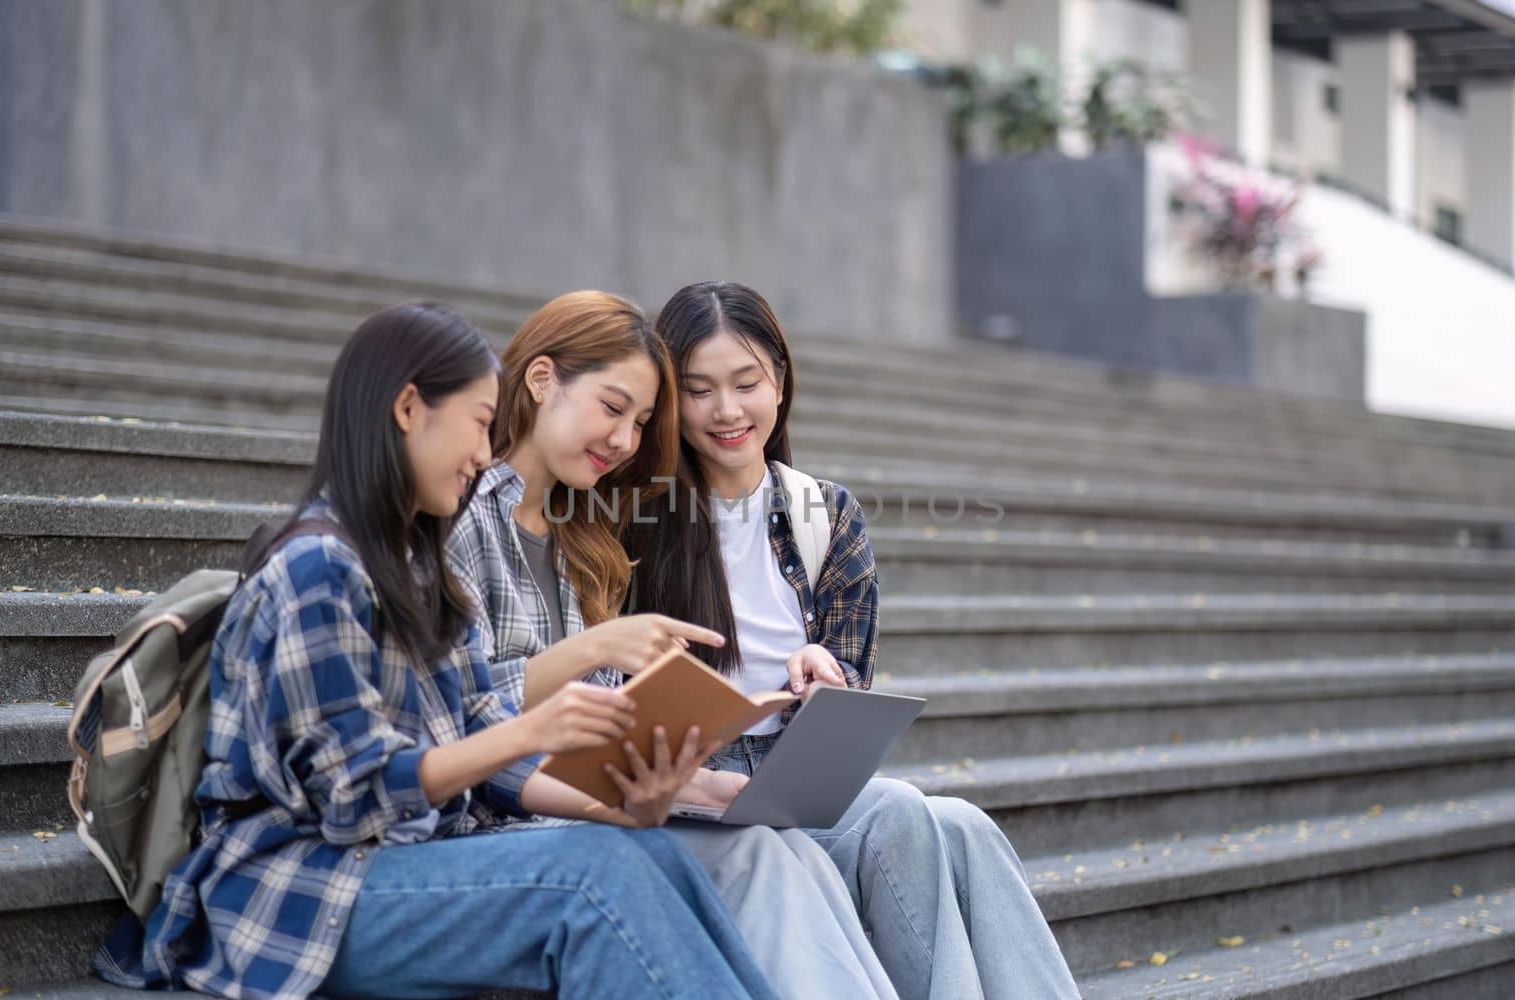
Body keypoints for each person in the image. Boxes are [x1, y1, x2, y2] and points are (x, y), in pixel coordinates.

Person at [97, 302, 776, 1000]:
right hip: (301, 894)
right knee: (593, 878)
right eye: (481, 425)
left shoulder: (420, 566)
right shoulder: (316, 567)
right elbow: (355, 799)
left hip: (407, 868)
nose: (486, 455)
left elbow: (483, 738)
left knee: (650, 851)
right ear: (409, 409)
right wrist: (536, 728)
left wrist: (621, 807)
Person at [623, 281, 1083, 1000]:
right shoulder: (633, 516)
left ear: (780, 378)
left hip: (792, 774)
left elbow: (849, 688)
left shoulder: (824, 512)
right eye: (699, 390)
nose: (727, 411)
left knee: (958, 824)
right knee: (906, 814)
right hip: (694, 783)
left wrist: (825, 674)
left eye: (747, 383)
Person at [448, 290, 898, 999]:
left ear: (779, 380)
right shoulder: (478, 524)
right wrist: (601, 656)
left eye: (639, 421)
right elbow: (456, 717)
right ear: (541, 382)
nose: (625, 439)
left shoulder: (580, 541)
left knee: (873, 836)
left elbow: (592, 734)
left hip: (604, 798)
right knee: (762, 858)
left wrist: (691, 783)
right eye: (613, 408)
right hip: (504, 828)